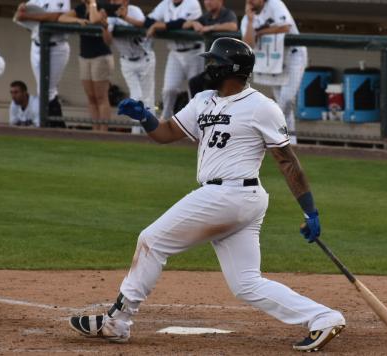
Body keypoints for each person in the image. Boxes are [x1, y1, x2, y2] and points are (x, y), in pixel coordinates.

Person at [68, 38, 346, 353]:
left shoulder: (262, 107)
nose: (208, 67)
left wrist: (310, 211)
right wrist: (144, 116)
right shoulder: (203, 100)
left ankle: (117, 321)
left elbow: (287, 161)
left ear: (230, 69)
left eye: (214, 63)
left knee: (151, 240)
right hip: (229, 199)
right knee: (245, 284)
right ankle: (324, 317)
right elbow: (165, 133)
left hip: (232, 195)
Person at [241, 0, 307, 145]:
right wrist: (251, 22)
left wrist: (261, 32)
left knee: (287, 100)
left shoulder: (275, 4)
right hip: (273, 63)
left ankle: (270, 133)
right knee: (285, 105)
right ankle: (291, 142)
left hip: (293, 56)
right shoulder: (247, 18)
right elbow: (248, 44)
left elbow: (285, 27)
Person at [59, 0, 114, 132]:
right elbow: (61, 18)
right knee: (91, 97)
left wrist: (93, 4)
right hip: (84, 56)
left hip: (100, 56)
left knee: (101, 96)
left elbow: (94, 20)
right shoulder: (80, 8)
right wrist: (77, 21)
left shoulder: (101, 6)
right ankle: (95, 130)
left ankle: (103, 131)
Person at [144, 0, 203, 118]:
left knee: (195, 94)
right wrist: (160, 24)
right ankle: (166, 118)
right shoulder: (165, 4)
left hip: (194, 52)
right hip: (175, 53)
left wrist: (158, 25)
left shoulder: (192, 3)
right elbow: (148, 20)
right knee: (168, 90)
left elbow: (180, 23)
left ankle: (197, 123)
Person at [14, 0, 72, 119]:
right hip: (36, 45)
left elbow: (56, 17)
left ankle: (55, 125)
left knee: (48, 91)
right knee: (43, 90)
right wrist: (21, 10)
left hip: (57, 47)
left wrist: (27, 16)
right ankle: (53, 125)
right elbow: (18, 18)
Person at [107, 0, 156, 111]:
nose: (114, 2)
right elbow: (107, 41)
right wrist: (106, 26)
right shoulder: (109, 15)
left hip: (144, 57)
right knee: (136, 97)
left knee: (147, 99)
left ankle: (150, 128)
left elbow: (143, 25)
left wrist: (125, 18)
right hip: (126, 60)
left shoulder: (135, 10)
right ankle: (135, 128)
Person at [183, 0, 238, 97]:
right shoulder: (207, 16)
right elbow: (184, 25)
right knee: (195, 83)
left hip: (228, 66)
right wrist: (193, 24)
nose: (208, 2)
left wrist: (211, 28)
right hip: (213, 65)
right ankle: (198, 110)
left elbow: (233, 26)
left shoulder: (227, 14)